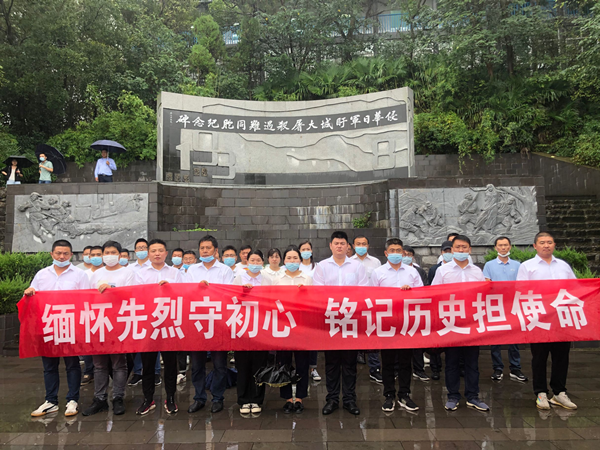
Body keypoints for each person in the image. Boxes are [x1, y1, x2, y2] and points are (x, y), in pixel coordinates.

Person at [26, 239, 91, 417]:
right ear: (52, 254)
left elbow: (86, 299)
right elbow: (33, 292)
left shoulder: (80, 274)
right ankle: (51, 401)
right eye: (58, 253)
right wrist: (29, 292)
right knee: (49, 365)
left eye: (65, 253)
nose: (62, 256)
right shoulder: (42, 274)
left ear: (71, 255)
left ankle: (72, 400)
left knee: (72, 364)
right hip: (48, 325)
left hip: (70, 325)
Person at [517, 231, 577, 411]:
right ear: (535, 246)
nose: (546, 245)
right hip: (539, 319)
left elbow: (575, 288)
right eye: (542, 242)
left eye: (549, 242)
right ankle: (541, 393)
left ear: (554, 245)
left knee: (561, 357)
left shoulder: (563, 266)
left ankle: (559, 392)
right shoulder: (527, 266)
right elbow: (521, 291)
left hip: (561, 318)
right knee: (539, 357)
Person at [313, 231, 368, 416]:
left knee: (350, 363)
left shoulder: (357, 266)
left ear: (347, 246)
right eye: (336, 243)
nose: (339, 246)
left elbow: (363, 291)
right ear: (330, 246)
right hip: (330, 321)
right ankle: (332, 399)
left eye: (342, 243)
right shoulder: (322, 266)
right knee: (331, 363)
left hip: (351, 320)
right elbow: (318, 293)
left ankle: (350, 399)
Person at [432, 235, 489, 412]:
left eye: (464, 247)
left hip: (472, 323)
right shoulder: (443, 271)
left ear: (470, 250)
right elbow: (434, 294)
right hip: (451, 322)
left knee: (472, 362)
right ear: (452, 250)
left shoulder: (477, 272)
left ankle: (473, 396)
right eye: (457, 247)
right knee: (452, 362)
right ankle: (453, 396)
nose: (461, 250)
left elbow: (483, 296)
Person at [83, 241, 140, 416]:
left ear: (120, 254)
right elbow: (87, 297)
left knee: (119, 363)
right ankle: (99, 399)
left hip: (119, 322)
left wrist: (111, 290)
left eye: (113, 252)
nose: (109, 255)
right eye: (106, 252)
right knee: (99, 364)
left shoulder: (128, 272)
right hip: (99, 322)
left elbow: (132, 294)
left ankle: (118, 398)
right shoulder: (96, 274)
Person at [371, 238, 423, 412]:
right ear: (386, 253)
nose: (395, 253)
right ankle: (388, 395)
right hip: (386, 323)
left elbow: (421, 295)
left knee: (405, 361)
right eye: (392, 250)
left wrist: (410, 292)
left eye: (398, 250)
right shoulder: (378, 272)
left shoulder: (412, 272)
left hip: (407, 322)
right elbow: (372, 297)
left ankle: (404, 394)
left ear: (403, 253)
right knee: (387, 361)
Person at [185, 236, 234, 414]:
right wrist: (197, 288)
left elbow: (229, 294)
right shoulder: (192, 270)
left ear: (216, 250)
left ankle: (218, 398)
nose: (205, 251)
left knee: (219, 364)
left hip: (218, 322)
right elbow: (184, 293)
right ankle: (199, 398)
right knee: (197, 365)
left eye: (208, 248)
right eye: (202, 248)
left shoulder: (225, 270)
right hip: (197, 322)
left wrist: (211, 288)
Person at [135, 239, 184, 415]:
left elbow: (183, 294)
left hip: (169, 323)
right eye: (153, 250)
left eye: (160, 250)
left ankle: (170, 398)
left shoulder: (175, 273)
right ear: (148, 254)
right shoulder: (140, 273)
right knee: (148, 364)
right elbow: (136, 295)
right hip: (148, 324)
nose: (157, 254)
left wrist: (170, 289)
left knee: (170, 363)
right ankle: (148, 399)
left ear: (166, 253)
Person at [271, 246, 313, 413]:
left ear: (300, 260)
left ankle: (300, 397)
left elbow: (313, 302)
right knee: (284, 362)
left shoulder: (307, 279)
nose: (292, 261)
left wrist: (305, 293)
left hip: (302, 326)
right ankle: (288, 397)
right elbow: (272, 301)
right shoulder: (277, 279)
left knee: (302, 362)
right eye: (289, 258)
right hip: (283, 326)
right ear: (284, 260)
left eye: (295, 258)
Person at [483, 236, 527, 383]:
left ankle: (515, 368)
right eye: (500, 245)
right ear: (495, 247)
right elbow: (486, 283)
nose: (503, 248)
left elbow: (522, 284)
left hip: (513, 305)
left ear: (510, 247)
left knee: (514, 339)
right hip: (495, 306)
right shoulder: (489, 265)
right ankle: (497, 368)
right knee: (495, 339)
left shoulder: (517, 265)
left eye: (505, 245)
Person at [233, 249, 269, 415]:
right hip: (242, 327)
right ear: (247, 262)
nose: (255, 263)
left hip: (261, 327)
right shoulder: (239, 278)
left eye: (258, 261)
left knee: (259, 365)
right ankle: (243, 399)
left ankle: (256, 399)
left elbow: (273, 301)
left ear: (263, 263)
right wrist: (242, 292)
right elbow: (231, 299)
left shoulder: (267, 280)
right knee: (243, 365)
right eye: (252, 260)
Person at [351, 235, 383, 383]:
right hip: (354, 304)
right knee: (354, 334)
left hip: (372, 304)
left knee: (372, 335)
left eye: (364, 243)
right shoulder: (349, 262)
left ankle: (374, 369)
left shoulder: (376, 262)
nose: (361, 246)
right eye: (358, 244)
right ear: (353, 246)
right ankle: (352, 369)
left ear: (368, 246)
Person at [402, 245, 433, 382]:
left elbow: (424, 289)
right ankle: (398, 370)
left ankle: (419, 370)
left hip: (415, 310)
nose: (406, 257)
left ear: (413, 256)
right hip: (397, 311)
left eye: (408, 254)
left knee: (417, 342)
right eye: (403, 254)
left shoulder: (418, 271)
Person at [298, 240, 320, 380]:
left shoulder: (318, 267)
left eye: (308, 249)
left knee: (313, 338)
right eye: (303, 249)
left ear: (311, 251)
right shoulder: (295, 266)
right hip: (297, 307)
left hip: (313, 306)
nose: (306, 251)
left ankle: (313, 368)